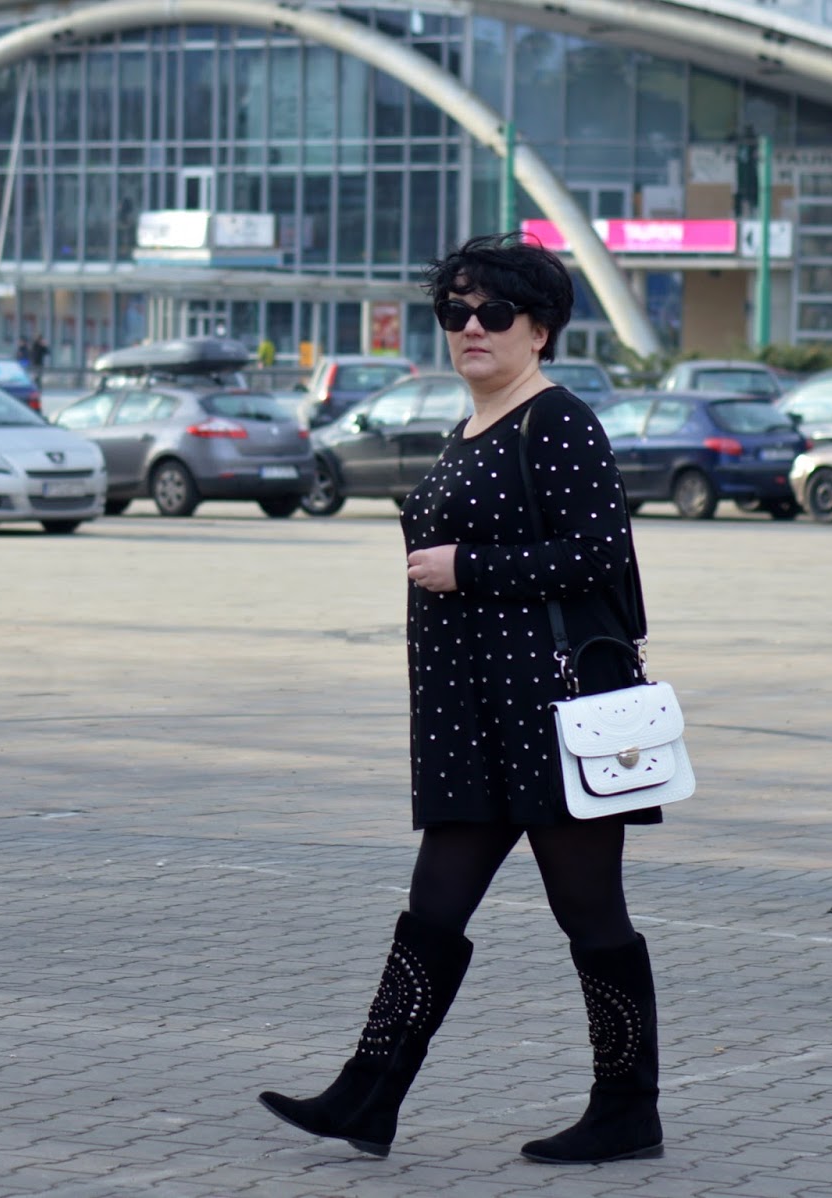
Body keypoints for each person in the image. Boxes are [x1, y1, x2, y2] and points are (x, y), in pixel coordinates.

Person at [258, 232, 664, 1165]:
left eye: (495, 312)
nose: (471, 327)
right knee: (433, 907)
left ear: (541, 329)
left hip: (552, 717)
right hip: (474, 721)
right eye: (456, 311)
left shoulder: (556, 421)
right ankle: (368, 1094)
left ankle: (627, 1108)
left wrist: (467, 567)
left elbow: (600, 554)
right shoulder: (473, 426)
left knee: (591, 914)